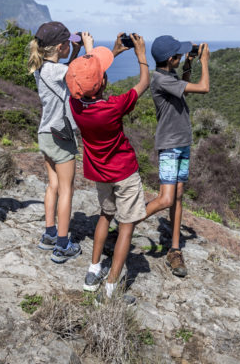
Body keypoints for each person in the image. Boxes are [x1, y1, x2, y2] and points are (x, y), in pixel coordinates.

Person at [65, 33, 150, 300]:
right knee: (126, 225)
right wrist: (141, 55)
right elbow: (144, 82)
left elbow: (87, 80)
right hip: (124, 172)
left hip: (100, 174)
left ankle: (93, 270)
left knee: (105, 215)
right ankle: (112, 287)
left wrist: (111, 53)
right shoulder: (114, 106)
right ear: (102, 82)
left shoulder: (75, 103)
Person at [145, 35, 209, 277]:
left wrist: (189, 64)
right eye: (179, 56)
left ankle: (174, 249)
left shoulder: (169, 75)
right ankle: (124, 224)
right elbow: (203, 88)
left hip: (182, 143)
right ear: (171, 59)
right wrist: (205, 61)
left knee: (178, 196)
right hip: (171, 145)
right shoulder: (161, 80)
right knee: (166, 199)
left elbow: (184, 92)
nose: (182, 57)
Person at [27, 21, 83, 263]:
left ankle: (49, 235)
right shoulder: (58, 72)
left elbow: (69, 70)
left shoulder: (43, 68)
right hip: (61, 136)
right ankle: (62, 245)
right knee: (66, 190)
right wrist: (89, 50)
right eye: (68, 44)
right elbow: (85, 73)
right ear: (61, 47)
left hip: (45, 134)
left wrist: (76, 52)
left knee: (53, 186)